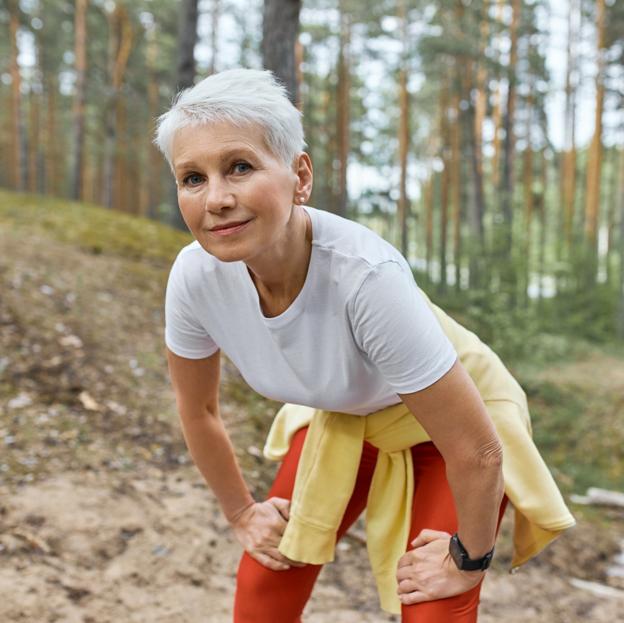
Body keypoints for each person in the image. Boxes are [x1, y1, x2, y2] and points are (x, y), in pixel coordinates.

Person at [154, 68, 576, 623]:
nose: (217, 199)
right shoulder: (194, 277)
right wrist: (240, 512)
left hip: (455, 431)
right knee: (266, 577)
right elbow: (198, 409)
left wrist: (469, 560)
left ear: (299, 176)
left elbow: (478, 452)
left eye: (240, 167)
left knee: (434, 603)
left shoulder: (364, 277)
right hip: (350, 417)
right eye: (192, 178)